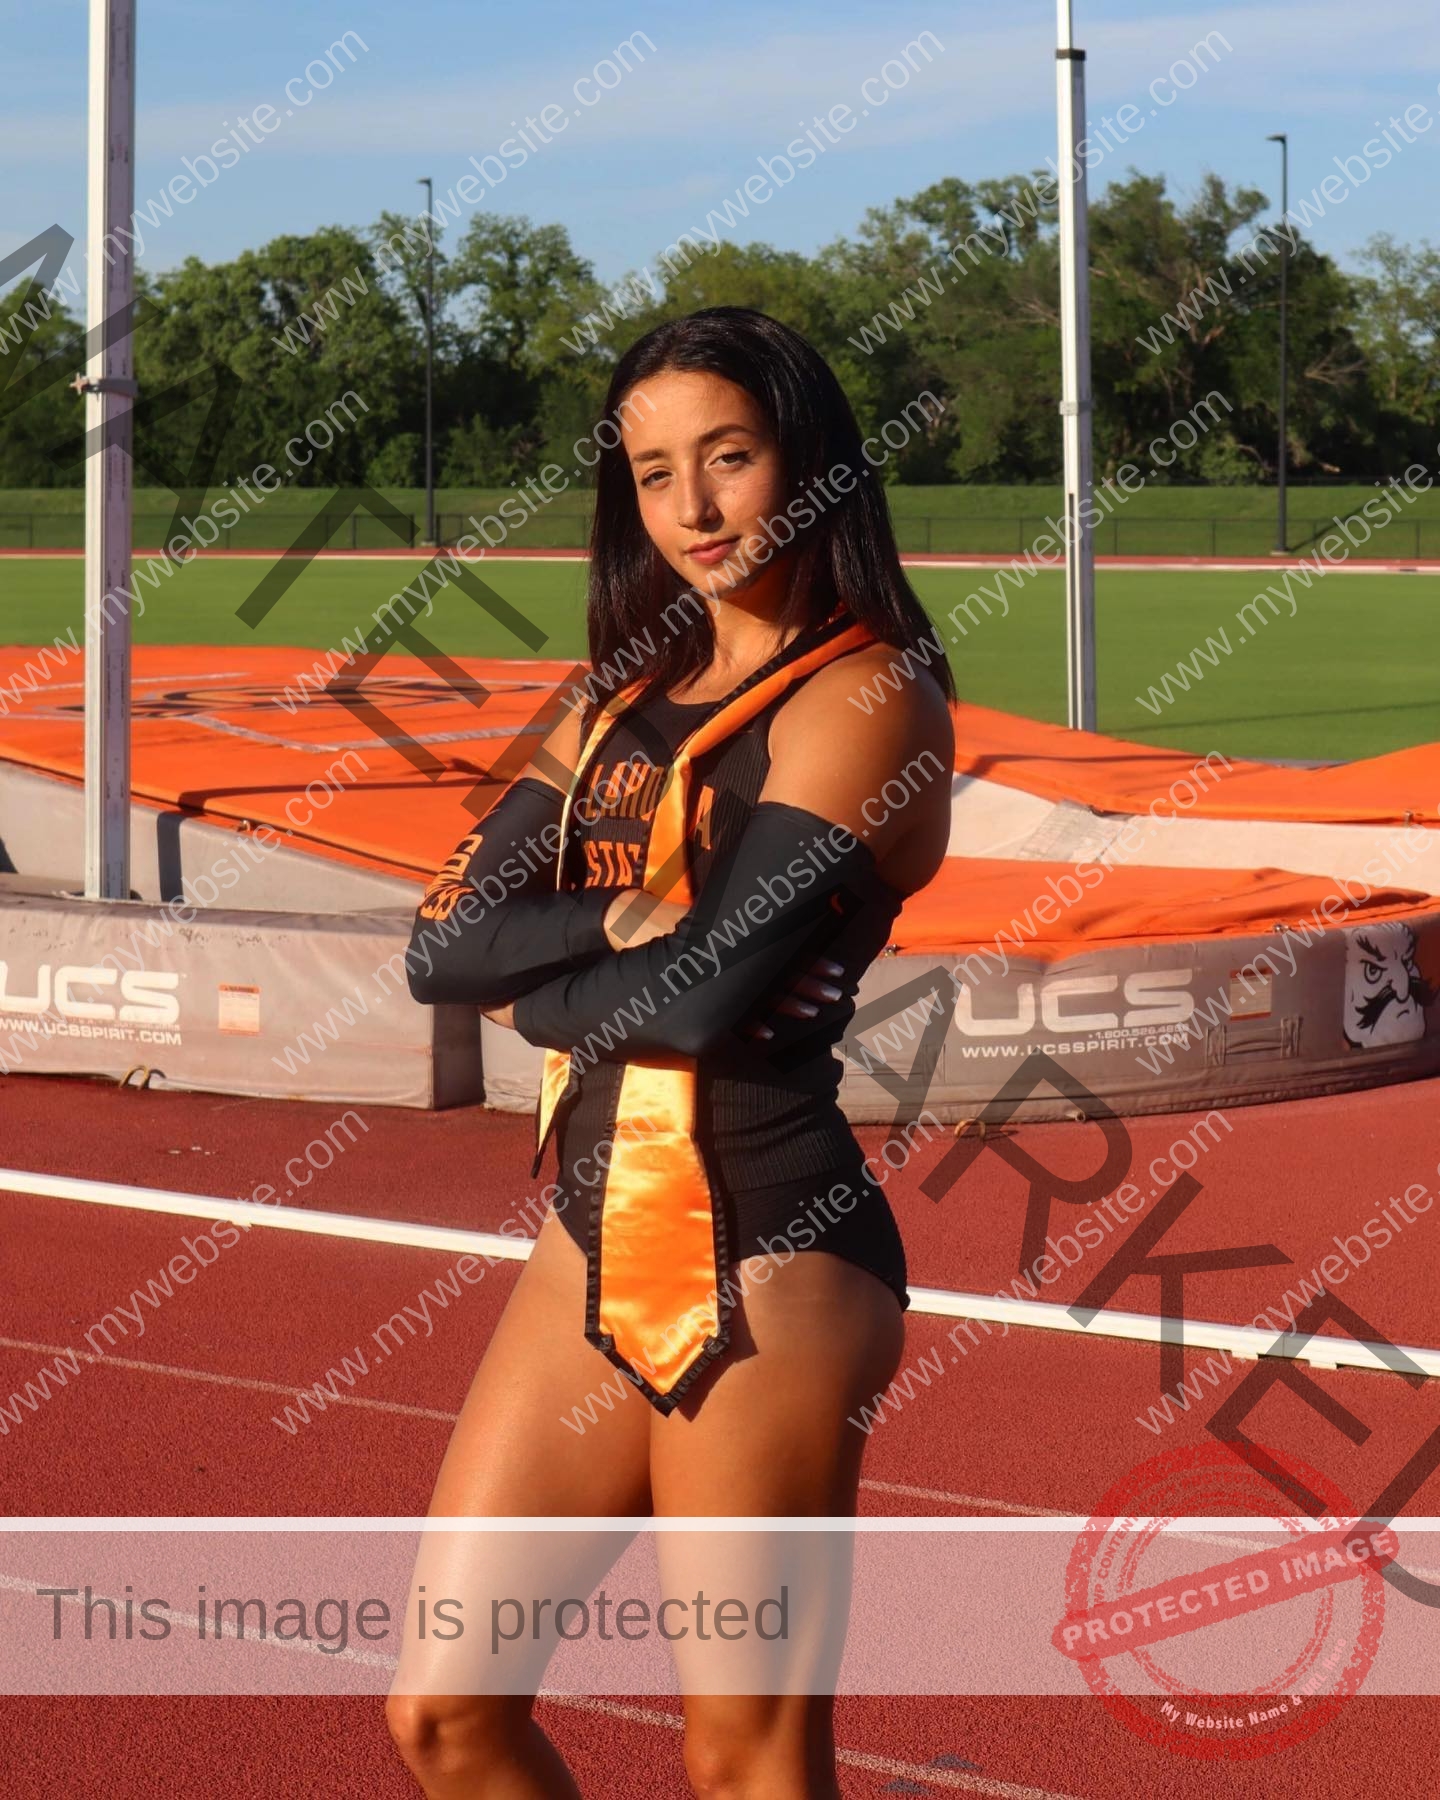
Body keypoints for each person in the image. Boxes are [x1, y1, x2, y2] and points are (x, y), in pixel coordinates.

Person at [388, 306, 955, 1798]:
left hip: (773, 1228)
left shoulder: (870, 693)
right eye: (652, 474)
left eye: (730, 458)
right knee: (446, 1715)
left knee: (743, 1758)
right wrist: (634, 932)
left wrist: (564, 978)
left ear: (813, 464)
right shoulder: (606, 701)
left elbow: (704, 1006)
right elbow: (439, 945)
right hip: (590, 1227)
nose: (692, 509)